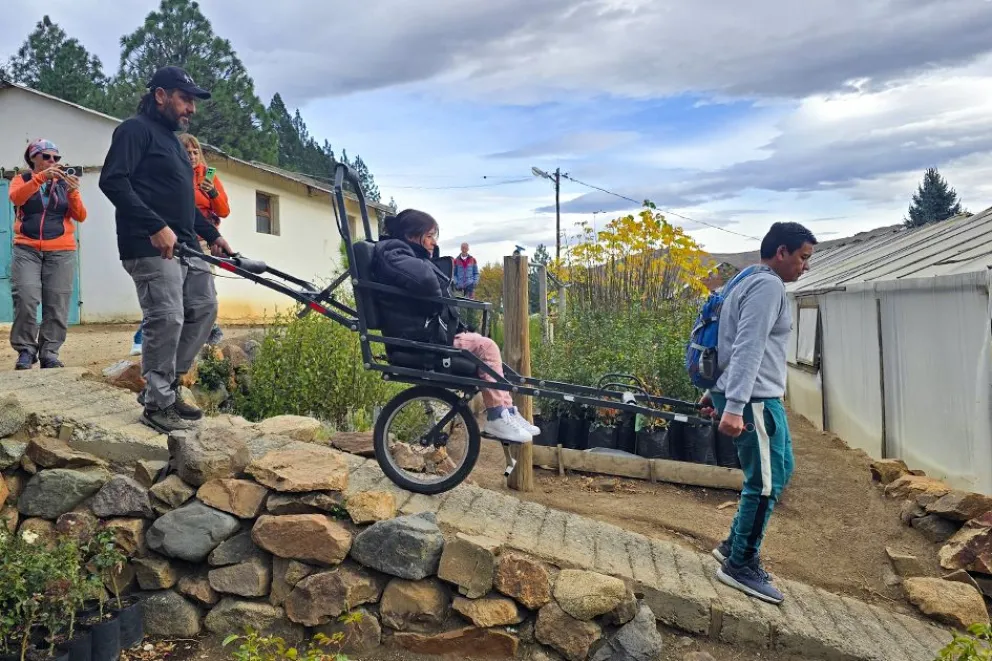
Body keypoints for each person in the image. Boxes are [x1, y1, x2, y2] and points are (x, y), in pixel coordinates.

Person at [99, 65, 234, 434]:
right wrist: (154, 226)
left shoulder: (174, 143)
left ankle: (166, 389)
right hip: (149, 245)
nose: (191, 108)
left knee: (204, 309)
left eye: (193, 102)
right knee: (168, 317)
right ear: (160, 95)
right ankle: (157, 404)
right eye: (185, 99)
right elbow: (112, 181)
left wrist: (213, 235)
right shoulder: (134, 130)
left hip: (187, 245)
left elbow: (185, 204)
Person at [701, 221, 817, 605]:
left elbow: (724, 340)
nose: (806, 266)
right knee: (764, 482)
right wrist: (733, 405)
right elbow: (747, 345)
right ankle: (741, 563)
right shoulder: (767, 286)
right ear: (781, 252)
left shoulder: (744, 278)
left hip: (754, 397)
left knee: (780, 469)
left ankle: (733, 545)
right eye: (803, 257)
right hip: (753, 401)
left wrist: (714, 391)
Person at [370, 209, 539, 443]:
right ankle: (498, 415)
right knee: (487, 347)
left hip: (426, 332)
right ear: (411, 236)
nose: (434, 242)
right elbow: (427, 282)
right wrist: (431, 264)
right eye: (430, 236)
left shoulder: (404, 254)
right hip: (422, 338)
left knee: (488, 350)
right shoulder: (394, 253)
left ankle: (506, 411)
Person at [130, 132, 229, 356]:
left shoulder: (209, 176)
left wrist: (212, 193)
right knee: (169, 291)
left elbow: (223, 211)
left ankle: (204, 336)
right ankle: (141, 338)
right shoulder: (170, 175)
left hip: (202, 241)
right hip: (174, 240)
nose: (192, 156)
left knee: (204, 291)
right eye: (187, 152)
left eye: (195, 152)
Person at [8, 139, 87, 370]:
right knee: (26, 298)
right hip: (27, 248)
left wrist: (72, 191)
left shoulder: (63, 183)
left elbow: (80, 216)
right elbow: (17, 198)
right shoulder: (21, 179)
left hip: (61, 250)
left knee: (57, 303)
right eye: (46, 156)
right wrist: (41, 178)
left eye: (56, 158)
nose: (52, 161)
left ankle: (50, 353)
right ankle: (25, 350)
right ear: (33, 158)